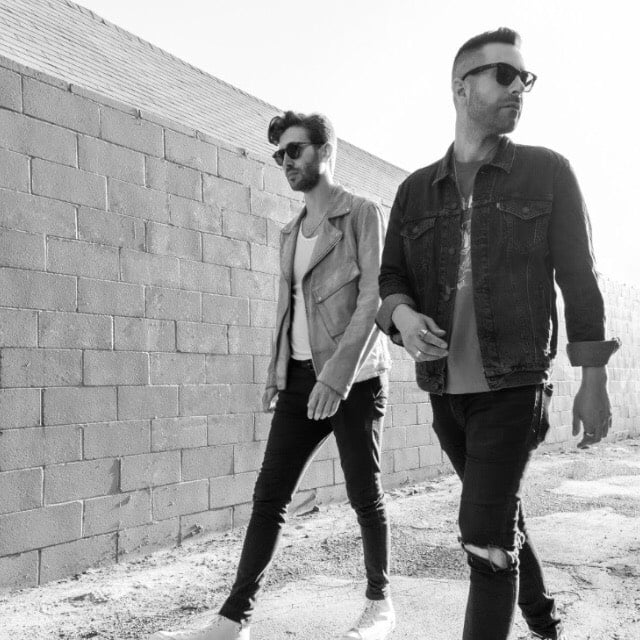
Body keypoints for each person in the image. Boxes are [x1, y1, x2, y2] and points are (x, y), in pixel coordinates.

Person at [376, 27, 620, 640]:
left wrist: (593, 379)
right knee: (500, 518)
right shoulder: (414, 190)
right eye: (503, 75)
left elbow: (579, 277)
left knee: (484, 540)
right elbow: (390, 277)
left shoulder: (547, 171)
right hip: (444, 392)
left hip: (514, 386)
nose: (519, 88)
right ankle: (544, 620)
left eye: (524, 78)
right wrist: (401, 316)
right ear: (462, 88)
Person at [151, 110, 394, 640]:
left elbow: (373, 299)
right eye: (280, 153)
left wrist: (337, 376)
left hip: (353, 379)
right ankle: (233, 618)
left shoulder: (360, 214)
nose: (286, 161)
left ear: (325, 151)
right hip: (300, 380)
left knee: (364, 493)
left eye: (295, 150)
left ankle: (380, 604)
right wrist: (275, 371)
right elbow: (287, 310)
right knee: (269, 497)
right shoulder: (290, 232)